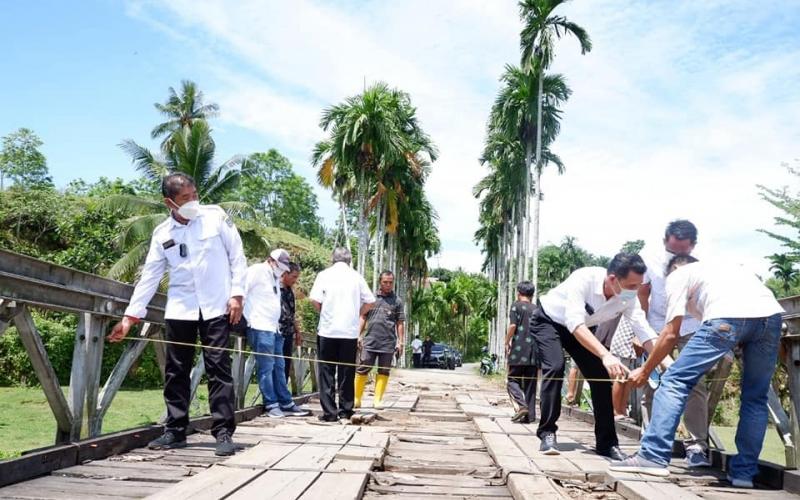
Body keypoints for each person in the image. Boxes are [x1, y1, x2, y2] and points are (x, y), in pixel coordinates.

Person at [611, 255, 784, 489]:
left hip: (727, 315)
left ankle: (652, 456)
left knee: (674, 381)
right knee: (756, 397)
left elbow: (671, 333)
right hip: (771, 317)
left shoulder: (678, 276)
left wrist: (646, 369)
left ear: (672, 270)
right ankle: (744, 473)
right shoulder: (727, 267)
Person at [107, 173, 245, 457]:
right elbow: (149, 277)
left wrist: (237, 295)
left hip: (216, 306)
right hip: (181, 308)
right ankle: (175, 430)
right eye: (185, 198)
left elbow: (237, 257)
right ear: (169, 202)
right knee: (176, 370)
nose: (193, 201)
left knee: (218, 368)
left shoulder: (216, 217)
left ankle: (223, 432)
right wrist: (130, 317)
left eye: (195, 195)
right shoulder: (162, 234)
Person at [531, 253, 662, 460]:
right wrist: (605, 355)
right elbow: (574, 323)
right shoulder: (584, 279)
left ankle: (607, 443)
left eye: (638, 285)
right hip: (549, 321)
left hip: (581, 329)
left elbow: (643, 330)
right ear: (612, 279)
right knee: (555, 367)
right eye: (632, 286)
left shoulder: (628, 297)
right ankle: (547, 432)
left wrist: (665, 361)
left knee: (600, 376)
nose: (636, 291)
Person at [638, 219, 710, 467]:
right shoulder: (648, 257)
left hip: (693, 323)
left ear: (693, 246)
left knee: (696, 382)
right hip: (659, 323)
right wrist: (641, 331)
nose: (676, 255)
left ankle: (696, 445)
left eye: (683, 250)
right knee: (652, 380)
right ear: (664, 242)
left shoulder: (705, 259)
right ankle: (651, 442)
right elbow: (642, 293)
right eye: (672, 250)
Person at [309, 247, 375, 422]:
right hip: (349, 332)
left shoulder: (324, 275)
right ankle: (345, 410)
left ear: (333, 259)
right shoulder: (356, 277)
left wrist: (324, 311)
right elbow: (370, 301)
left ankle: (330, 412)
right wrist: (357, 313)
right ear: (349, 260)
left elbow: (314, 299)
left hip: (328, 330)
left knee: (326, 371)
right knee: (347, 371)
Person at [244, 250, 310, 418]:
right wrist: (245, 317)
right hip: (259, 325)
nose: (282, 271)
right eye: (280, 267)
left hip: (275, 328)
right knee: (266, 367)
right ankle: (271, 403)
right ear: (271, 260)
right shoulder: (256, 271)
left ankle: (285, 401)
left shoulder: (274, 277)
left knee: (279, 366)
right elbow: (241, 292)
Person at [355, 271, 405, 409]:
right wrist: (358, 335)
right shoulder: (371, 298)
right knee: (363, 367)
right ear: (380, 282)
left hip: (388, 343)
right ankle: (356, 398)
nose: (388, 285)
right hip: (370, 341)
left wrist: (400, 342)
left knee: (384, 370)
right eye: (385, 282)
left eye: (390, 282)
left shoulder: (397, 301)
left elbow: (400, 323)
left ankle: (377, 400)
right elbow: (363, 317)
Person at [505, 281, 538, 424]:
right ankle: (529, 417)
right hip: (534, 351)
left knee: (512, 380)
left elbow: (513, 325)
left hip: (518, 349)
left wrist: (506, 341)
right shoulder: (536, 309)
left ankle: (522, 406)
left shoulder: (516, 306)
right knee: (531, 384)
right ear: (532, 294)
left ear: (518, 293)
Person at [280, 262, 303, 385]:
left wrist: (297, 331)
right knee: (275, 366)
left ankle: (282, 391)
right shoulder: (275, 289)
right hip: (277, 332)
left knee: (285, 365)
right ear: (285, 274)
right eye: (294, 277)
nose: (295, 280)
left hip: (288, 333)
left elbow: (292, 313)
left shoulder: (289, 291)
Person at [609, 318, 636, 419]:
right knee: (620, 377)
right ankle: (616, 411)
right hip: (624, 343)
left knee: (627, 379)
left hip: (630, 345)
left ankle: (623, 410)